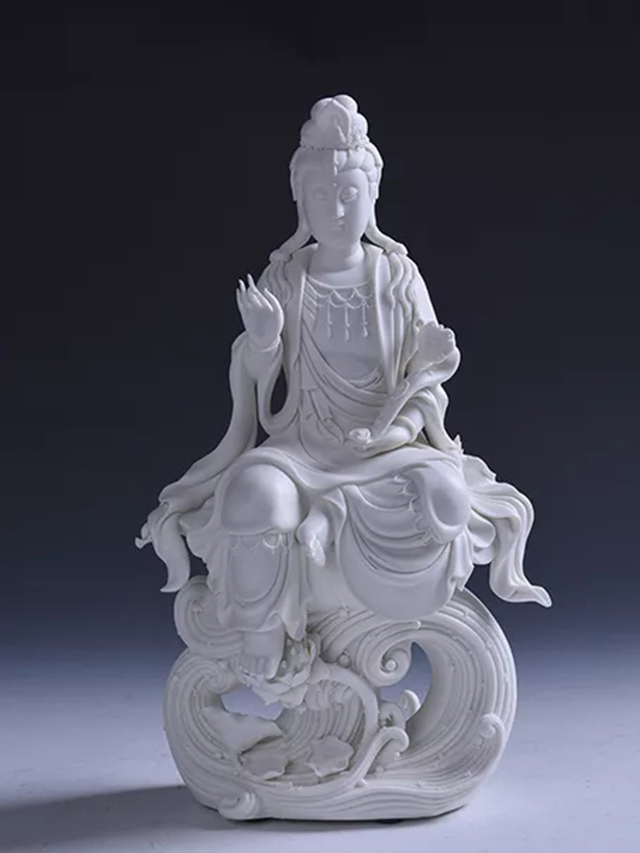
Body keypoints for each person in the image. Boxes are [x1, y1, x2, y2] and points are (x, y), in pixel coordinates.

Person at [136, 95, 550, 679]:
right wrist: (262, 343)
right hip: (303, 448)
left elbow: (427, 383)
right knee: (251, 495)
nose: (335, 210)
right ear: (299, 200)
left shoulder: (397, 277)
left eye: (350, 195)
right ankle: (263, 635)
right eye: (321, 196)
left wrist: (397, 429)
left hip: (385, 451)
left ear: (373, 195)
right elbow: (257, 384)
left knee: (447, 497)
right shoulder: (286, 278)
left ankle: (336, 528)